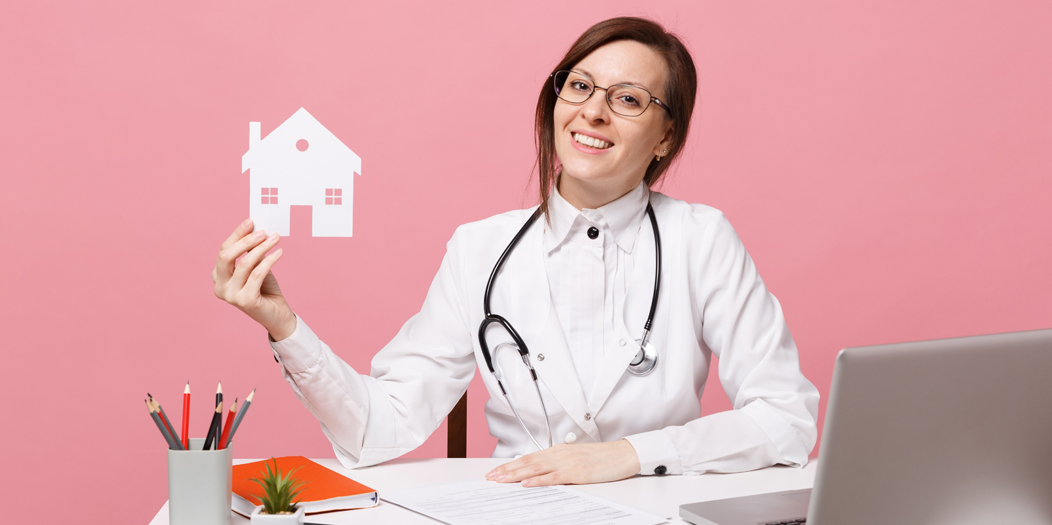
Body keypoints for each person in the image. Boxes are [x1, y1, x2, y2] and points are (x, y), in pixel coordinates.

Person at [212, 16, 819, 487]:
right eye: (579, 85)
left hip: (662, 520)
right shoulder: (480, 248)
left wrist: (632, 456)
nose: (593, 111)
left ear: (666, 136)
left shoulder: (702, 238)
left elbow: (786, 420)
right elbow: (378, 428)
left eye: (629, 99)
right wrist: (283, 326)